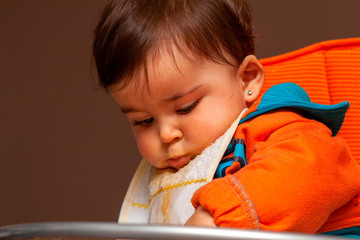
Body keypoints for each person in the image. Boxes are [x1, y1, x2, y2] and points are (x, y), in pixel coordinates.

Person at [92, 0, 360, 237]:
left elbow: (314, 166)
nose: (166, 134)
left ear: (247, 79)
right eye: (143, 121)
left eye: (185, 108)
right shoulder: (163, 175)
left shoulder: (271, 126)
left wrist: (218, 217)